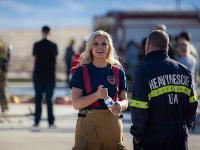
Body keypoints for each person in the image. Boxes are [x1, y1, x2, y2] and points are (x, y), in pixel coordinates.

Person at [130, 30, 198, 150]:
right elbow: (193, 103)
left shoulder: (143, 72)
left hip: (153, 138)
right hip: (180, 137)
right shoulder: (184, 71)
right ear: (167, 46)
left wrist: (137, 136)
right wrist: (185, 126)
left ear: (148, 44)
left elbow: (139, 109)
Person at [70, 30, 128, 150]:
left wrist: (119, 105)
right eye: (95, 44)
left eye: (104, 44)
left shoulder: (118, 72)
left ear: (109, 47)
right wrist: (97, 95)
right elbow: (76, 104)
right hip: (87, 124)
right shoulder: (80, 71)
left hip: (112, 124)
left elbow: (125, 101)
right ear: (90, 47)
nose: (100, 47)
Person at [32, 25, 58, 128]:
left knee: (38, 99)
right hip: (50, 76)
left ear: (42, 32)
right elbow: (54, 60)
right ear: (49, 32)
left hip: (38, 75)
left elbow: (35, 59)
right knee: (49, 100)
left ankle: (37, 122)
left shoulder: (36, 45)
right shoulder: (53, 45)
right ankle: (50, 123)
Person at [0, 38, 10, 113]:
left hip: (2, 73)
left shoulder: (3, 46)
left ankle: (4, 107)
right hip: (3, 72)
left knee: (3, 90)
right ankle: (4, 107)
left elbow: (6, 60)